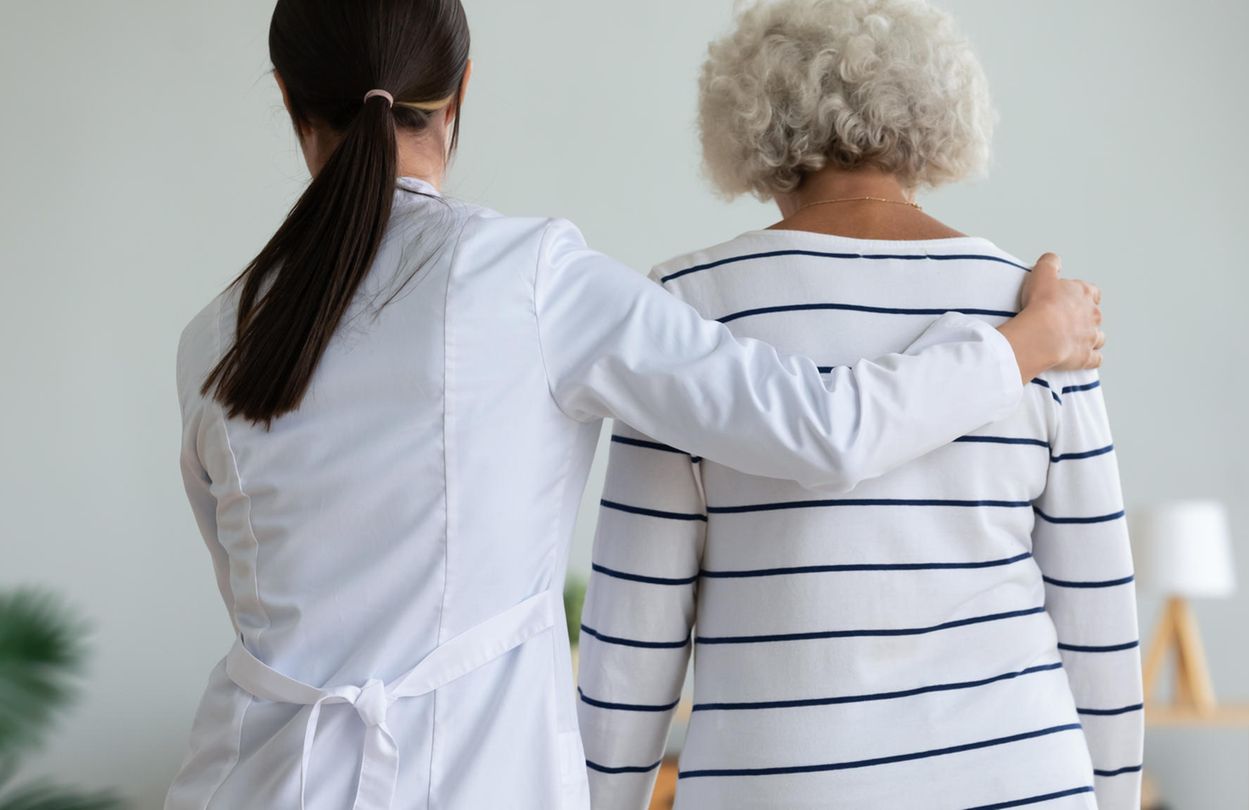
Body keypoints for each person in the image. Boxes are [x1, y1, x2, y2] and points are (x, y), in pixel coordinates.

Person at [164, 1, 1104, 808]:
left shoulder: (214, 336)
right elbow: (826, 430)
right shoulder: (528, 278)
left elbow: (247, 589)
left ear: (288, 98)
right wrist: (1026, 343)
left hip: (249, 776)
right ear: (458, 93)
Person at [576, 2, 1141, 809]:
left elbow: (634, 638)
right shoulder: (1042, 312)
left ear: (751, 124)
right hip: (1022, 779)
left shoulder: (685, 312)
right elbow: (1097, 616)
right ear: (938, 114)